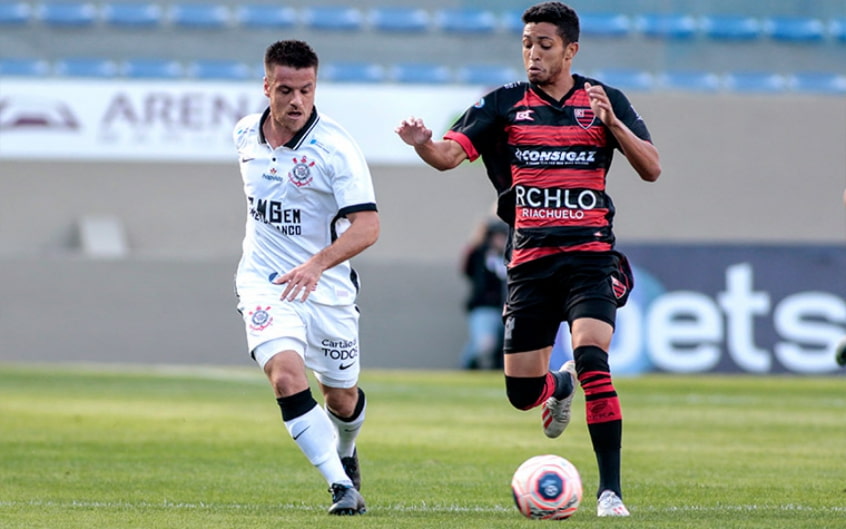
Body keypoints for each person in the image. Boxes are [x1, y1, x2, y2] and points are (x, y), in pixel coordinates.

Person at [396, 2, 660, 517]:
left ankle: (610, 492)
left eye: (543, 44)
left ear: (570, 50)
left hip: (590, 258)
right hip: (531, 263)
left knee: (593, 358)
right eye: (525, 44)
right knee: (521, 393)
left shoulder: (605, 100)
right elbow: (449, 157)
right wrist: (424, 145)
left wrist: (614, 126)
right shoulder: (502, 104)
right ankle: (556, 386)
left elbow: (651, 168)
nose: (532, 54)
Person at [233, 40, 379, 515]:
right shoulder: (243, 136)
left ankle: (347, 448)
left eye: (307, 90)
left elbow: (368, 226)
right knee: (286, 375)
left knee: (341, 397)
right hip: (265, 283)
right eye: (285, 90)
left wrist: (317, 264)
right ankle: (341, 487)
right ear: (266, 87)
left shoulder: (336, 149)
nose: (296, 100)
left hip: (328, 290)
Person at [459, 217, 508, 370]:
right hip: (485, 307)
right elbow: (467, 267)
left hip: (508, 307)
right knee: (484, 344)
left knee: (505, 348)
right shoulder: (481, 253)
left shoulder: (510, 255)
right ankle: (466, 366)